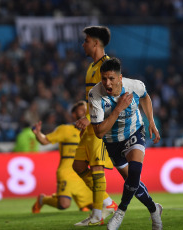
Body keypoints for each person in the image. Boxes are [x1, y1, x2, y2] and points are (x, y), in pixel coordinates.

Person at [89, 58, 163, 230]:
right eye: (104, 78)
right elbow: (99, 132)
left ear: (120, 78)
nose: (107, 83)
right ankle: (154, 209)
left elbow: (146, 98)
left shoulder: (135, 86)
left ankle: (120, 211)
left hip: (134, 132)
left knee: (135, 171)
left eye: (111, 78)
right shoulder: (95, 95)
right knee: (132, 183)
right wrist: (118, 109)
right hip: (112, 141)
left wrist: (151, 121)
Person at [72, 26, 117, 226]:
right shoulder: (91, 67)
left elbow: (112, 96)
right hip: (90, 125)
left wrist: (90, 118)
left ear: (96, 43)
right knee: (78, 166)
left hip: (100, 125)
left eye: (87, 41)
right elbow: (94, 98)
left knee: (96, 167)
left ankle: (97, 215)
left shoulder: (107, 65)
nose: (84, 44)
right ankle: (107, 203)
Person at [31, 100, 93, 213]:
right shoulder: (65, 130)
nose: (85, 112)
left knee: (96, 204)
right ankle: (43, 199)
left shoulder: (91, 132)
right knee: (63, 205)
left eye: (86, 110)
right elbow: (45, 141)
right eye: (81, 110)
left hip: (82, 173)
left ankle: (83, 205)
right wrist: (38, 134)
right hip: (67, 172)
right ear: (74, 114)